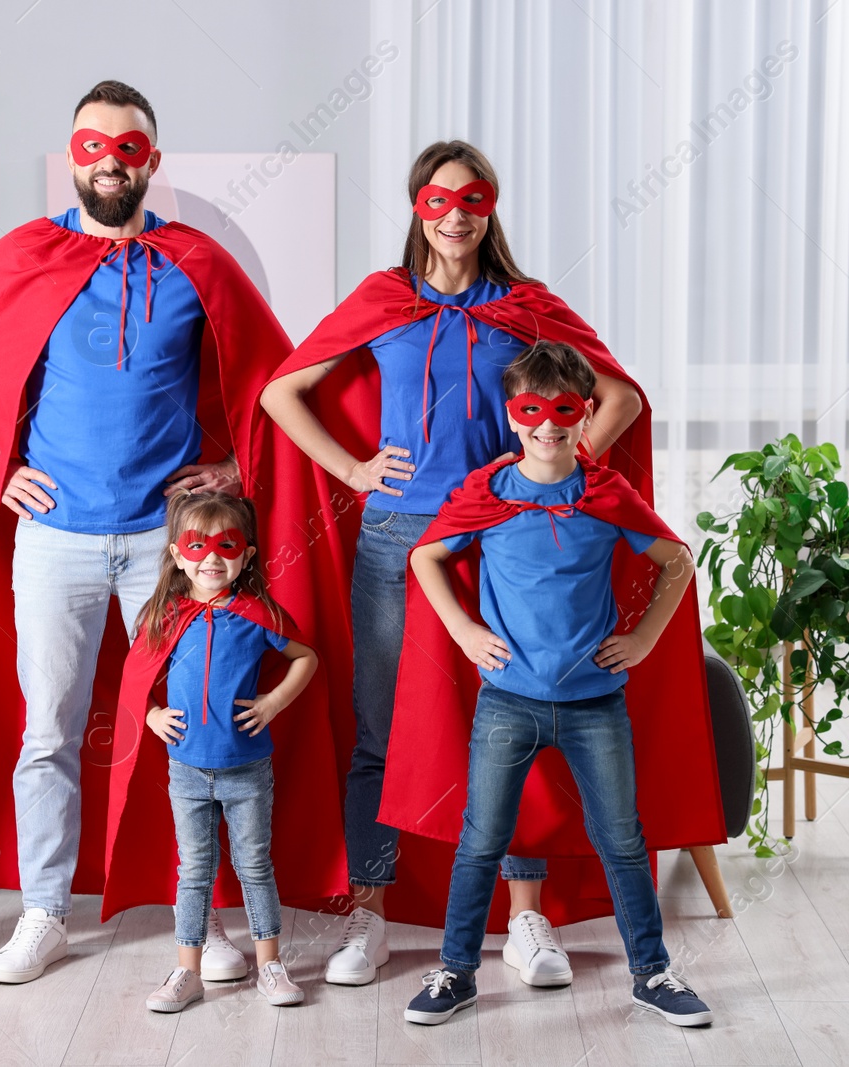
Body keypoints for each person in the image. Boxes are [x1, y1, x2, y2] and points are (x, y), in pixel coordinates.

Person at [0, 79, 350, 982]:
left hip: (172, 553)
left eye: (128, 147)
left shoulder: (198, 263)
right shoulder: (27, 259)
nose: (110, 161)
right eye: (92, 146)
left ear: (151, 162)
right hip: (56, 543)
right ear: (71, 156)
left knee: (195, 725)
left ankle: (204, 921)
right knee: (49, 730)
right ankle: (44, 911)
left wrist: (237, 469)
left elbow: (275, 377)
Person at [260, 140, 646, 987]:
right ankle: (371, 912)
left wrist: (556, 467)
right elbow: (281, 391)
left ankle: (527, 918)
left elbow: (618, 396)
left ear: (492, 207)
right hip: (398, 532)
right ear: (416, 209)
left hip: (503, 539)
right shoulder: (382, 298)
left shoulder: (526, 305)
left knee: (515, 720)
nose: (457, 214)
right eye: (438, 200)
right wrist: (356, 471)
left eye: (472, 199)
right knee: (379, 726)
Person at [400, 341, 712, 1027]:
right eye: (532, 411)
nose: (548, 425)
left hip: (594, 702)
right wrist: (461, 630)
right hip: (508, 700)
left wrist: (644, 638)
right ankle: (455, 973)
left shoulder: (603, 493)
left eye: (563, 410)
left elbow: (676, 561)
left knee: (622, 839)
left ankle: (652, 972)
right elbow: (426, 555)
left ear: (585, 413)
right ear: (513, 417)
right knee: (482, 836)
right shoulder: (489, 492)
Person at [126, 492, 317, 1012]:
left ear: (247, 555)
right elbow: (134, 675)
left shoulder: (258, 614)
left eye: (226, 545)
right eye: (198, 545)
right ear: (176, 553)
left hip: (247, 768)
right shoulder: (165, 615)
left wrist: (273, 702)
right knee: (194, 872)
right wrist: (151, 715)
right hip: (186, 769)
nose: (212, 557)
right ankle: (187, 971)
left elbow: (306, 657)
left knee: (255, 866)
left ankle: (271, 966)